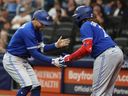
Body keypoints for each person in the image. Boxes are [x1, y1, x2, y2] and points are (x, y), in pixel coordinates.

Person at [2, 10, 70, 96]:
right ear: (35, 19)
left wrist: (55, 45)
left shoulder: (37, 30)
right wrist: (52, 61)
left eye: (45, 24)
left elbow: (41, 49)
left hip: (22, 60)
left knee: (36, 86)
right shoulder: (27, 30)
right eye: (42, 23)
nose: (44, 25)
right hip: (12, 59)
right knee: (27, 86)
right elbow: (34, 53)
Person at [63, 6, 124, 96]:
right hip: (117, 53)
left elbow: (86, 48)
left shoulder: (85, 25)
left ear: (81, 16)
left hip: (106, 54)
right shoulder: (93, 24)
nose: (75, 18)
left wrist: (69, 58)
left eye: (77, 16)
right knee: (107, 93)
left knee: (97, 93)